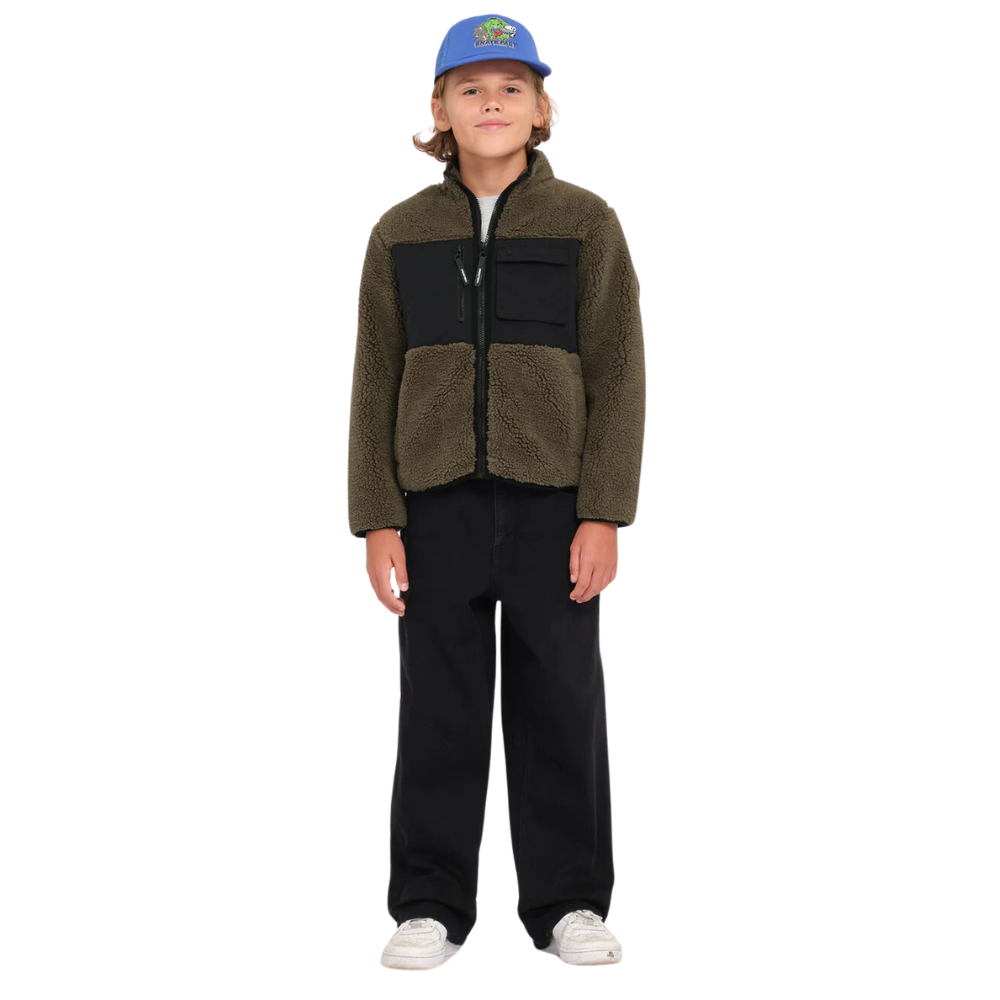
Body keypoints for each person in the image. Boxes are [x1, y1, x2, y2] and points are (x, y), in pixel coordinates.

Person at [347, 14, 646, 970]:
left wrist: (603, 509)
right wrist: (378, 516)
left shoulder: (587, 223)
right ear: (439, 109)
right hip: (434, 504)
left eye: (512, 87)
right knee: (439, 703)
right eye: (470, 88)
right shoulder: (401, 232)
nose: (491, 102)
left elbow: (619, 371)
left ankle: (569, 902)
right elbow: (373, 379)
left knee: (560, 697)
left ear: (541, 108)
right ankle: (429, 904)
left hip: (555, 503)